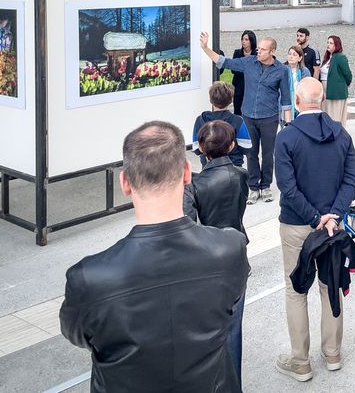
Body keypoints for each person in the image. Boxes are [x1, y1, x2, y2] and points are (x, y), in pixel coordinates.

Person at [60, 121, 249, 393]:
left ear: (125, 182)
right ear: (187, 173)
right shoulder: (230, 249)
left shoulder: (89, 277)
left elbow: (77, 334)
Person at [274, 78, 355, 382]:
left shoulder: (287, 138)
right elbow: (351, 180)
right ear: (321, 101)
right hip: (333, 228)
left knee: (296, 290)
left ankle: (300, 362)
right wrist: (333, 216)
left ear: (297, 101)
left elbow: (287, 187)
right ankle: (333, 353)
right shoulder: (342, 134)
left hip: (298, 224)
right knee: (330, 286)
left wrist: (314, 218)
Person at [183, 120, 251, 381]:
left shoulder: (196, 185)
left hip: (207, 260)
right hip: (236, 254)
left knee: (205, 329)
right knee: (234, 328)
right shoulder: (241, 176)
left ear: (201, 148)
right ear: (232, 145)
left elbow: (188, 224)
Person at [200, 33, 291, 206]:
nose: (259, 51)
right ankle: (253, 187)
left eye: (263, 49)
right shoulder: (249, 62)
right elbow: (223, 61)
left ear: (272, 51)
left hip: (269, 117)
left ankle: (265, 186)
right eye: (259, 48)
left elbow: (286, 100)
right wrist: (205, 48)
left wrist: (288, 125)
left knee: (267, 153)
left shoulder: (282, 70)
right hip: (248, 115)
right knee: (251, 153)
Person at [192, 81, 251, 167]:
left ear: (210, 100)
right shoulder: (237, 121)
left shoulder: (200, 120)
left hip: (208, 168)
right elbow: (246, 147)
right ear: (231, 100)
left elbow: (197, 149)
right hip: (233, 168)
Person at [320, 35, 353, 126]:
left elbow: (348, 74)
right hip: (325, 90)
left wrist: (345, 84)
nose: (328, 45)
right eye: (327, 42)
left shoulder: (340, 57)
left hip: (335, 91)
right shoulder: (327, 58)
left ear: (336, 45)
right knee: (325, 114)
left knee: (334, 116)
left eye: (331, 43)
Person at [231, 30, 257, 115]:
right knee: (237, 111)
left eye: (246, 39)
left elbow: (257, 71)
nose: (243, 41)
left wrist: (242, 68)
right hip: (238, 87)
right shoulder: (237, 53)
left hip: (252, 88)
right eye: (243, 39)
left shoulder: (256, 54)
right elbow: (233, 69)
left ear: (251, 41)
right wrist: (248, 70)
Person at [284, 45, 311, 121]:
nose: (291, 57)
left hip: (300, 103)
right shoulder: (282, 70)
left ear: (300, 58)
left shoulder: (304, 71)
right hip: (287, 104)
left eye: (294, 55)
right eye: (289, 54)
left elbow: (308, 89)